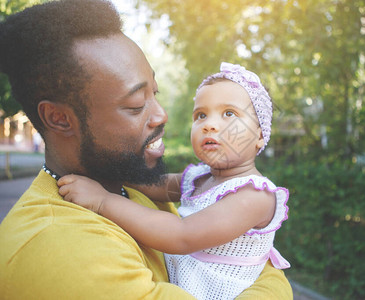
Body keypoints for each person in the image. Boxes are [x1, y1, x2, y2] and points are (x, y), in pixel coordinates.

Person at [0, 0, 293, 299]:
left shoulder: (124, 180)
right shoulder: (60, 248)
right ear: (59, 118)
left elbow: (216, 244)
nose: (162, 115)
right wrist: (273, 284)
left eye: (155, 93)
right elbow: (267, 273)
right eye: (136, 104)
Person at [58, 62, 291, 299]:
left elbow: (182, 235)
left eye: (229, 113)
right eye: (201, 115)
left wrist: (102, 200)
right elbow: (155, 183)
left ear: (260, 135)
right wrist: (110, 171)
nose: (209, 124)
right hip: (179, 278)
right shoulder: (201, 178)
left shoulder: (253, 196)